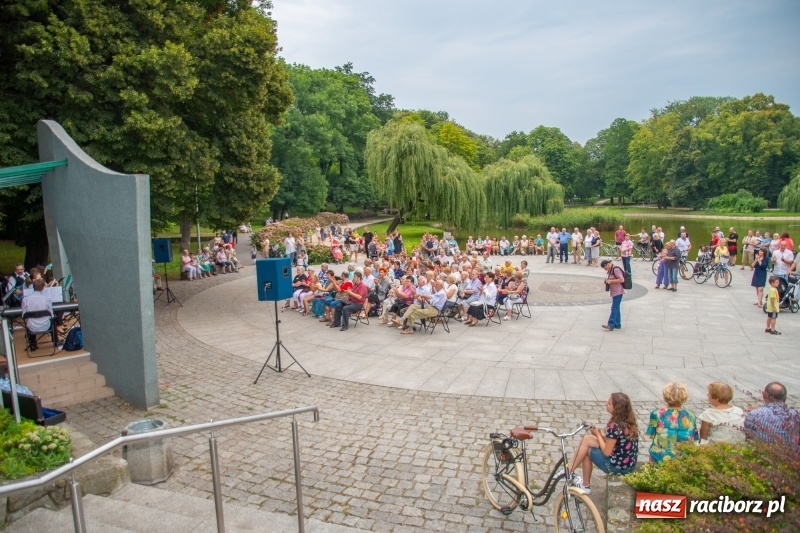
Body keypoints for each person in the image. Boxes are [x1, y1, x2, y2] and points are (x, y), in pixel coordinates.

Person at [566, 392, 639, 495]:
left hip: (618, 468)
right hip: (628, 465)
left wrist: (598, 435)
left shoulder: (615, 426)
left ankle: (578, 480)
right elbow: (615, 441)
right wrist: (600, 435)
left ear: (616, 409)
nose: (606, 403)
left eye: (609, 404)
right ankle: (570, 470)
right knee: (587, 439)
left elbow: (606, 452)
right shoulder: (628, 421)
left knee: (586, 450)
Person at [646, 382, 699, 463]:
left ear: (665, 397)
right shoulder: (690, 414)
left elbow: (651, 435)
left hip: (661, 454)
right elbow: (694, 436)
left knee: (653, 450)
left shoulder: (656, 414)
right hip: (683, 455)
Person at [743, 382, 800, 448]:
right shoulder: (795, 415)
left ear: (764, 395)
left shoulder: (754, 414)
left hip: (762, 454)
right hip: (791, 455)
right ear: (785, 398)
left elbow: (748, 438)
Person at [21, 278, 61, 351]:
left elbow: (24, 316)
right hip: (46, 325)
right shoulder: (47, 298)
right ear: (43, 288)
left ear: (33, 287)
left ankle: (32, 344)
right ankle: (56, 342)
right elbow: (51, 315)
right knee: (53, 320)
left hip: (32, 327)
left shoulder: (25, 299)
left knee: (28, 322)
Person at [601, 260, 624, 331]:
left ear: (608, 264)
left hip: (618, 291)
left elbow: (622, 280)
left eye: (605, 268)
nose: (605, 270)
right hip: (614, 291)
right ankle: (617, 324)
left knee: (614, 308)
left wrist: (611, 281)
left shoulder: (615, 269)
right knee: (616, 308)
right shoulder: (611, 270)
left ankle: (611, 324)